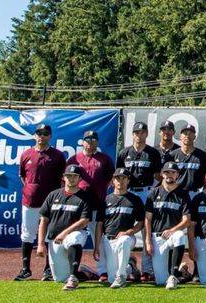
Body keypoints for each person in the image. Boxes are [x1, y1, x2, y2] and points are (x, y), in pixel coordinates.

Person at [15, 122, 66, 282]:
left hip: (51, 202)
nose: (41, 136)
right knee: (28, 234)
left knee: (50, 235)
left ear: (50, 136)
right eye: (39, 133)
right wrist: (31, 189)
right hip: (30, 201)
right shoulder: (26, 154)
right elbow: (23, 176)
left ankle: (48, 269)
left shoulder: (57, 155)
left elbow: (62, 179)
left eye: (45, 133)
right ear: (35, 135)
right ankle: (25, 269)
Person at [115, 120, 162, 281]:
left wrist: (153, 192)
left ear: (147, 134)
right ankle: (127, 264)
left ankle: (147, 269)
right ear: (132, 134)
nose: (139, 135)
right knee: (126, 227)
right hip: (128, 193)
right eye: (136, 132)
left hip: (147, 192)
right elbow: (118, 175)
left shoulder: (153, 153)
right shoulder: (124, 153)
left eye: (142, 132)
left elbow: (157, 176)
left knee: (147, 230)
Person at [37, 163, 94, 291]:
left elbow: (84, 221)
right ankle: (82, 272)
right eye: (69, 176)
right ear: (64, 177)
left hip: (76, 233)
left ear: (80, 179)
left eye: (75, 176)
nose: (71, 179)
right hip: (54, 238)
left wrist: (65, 233)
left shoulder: (84, 197)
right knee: (60, 278)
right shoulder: (53, 195)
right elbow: (44, 220)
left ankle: (73, 277)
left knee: (73, 239)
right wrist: (41, 243)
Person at [143, 160, 192, 289]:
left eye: (173, 172)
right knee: (160, 281)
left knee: (180, 235)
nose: (169, 175)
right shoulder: (154, 193)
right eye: (166, 172)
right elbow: (147, 219)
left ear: (177, 175)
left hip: (173, 234)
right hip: (157, 237)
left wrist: (173, 230)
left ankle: (174, 275)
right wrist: (148, 241)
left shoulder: (183, 194)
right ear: (161, 174)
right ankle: (181, 270)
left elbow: (186, 220)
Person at [95, 168, 145, 289]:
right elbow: (100, 224)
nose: (120, 181)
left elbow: (141, 222)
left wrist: (129, 232)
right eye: (117, 178)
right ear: (113, 181)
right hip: (109, 239)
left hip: (127, 238)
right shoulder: (106, 200)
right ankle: (130, 267)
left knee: (124, 241)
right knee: (112, 278)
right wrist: (97, 246)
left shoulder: (135, 199)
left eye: (123, 178)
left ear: (128, 181)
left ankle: (122, 276)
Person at [67, 130, 114, 210]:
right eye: (88, 140)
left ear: (98, 142)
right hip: (77, 201)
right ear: (82, 142)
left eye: (93, 140)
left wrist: (101, 190)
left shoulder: (105, 159)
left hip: (98, 201)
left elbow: (111, 178)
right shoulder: (73, 159)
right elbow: (65, 180)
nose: (90, 142)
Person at [169, 125, 206, 198]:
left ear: (194, 136)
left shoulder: (203, 156)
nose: (187, 136)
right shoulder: (172, 155)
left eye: (190, 133)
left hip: (196, 193)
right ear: (180, 136)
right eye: (185, 133)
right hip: (177, 193)